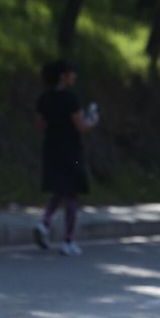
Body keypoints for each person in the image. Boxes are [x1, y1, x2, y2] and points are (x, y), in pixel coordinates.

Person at [33, 59, 98, 256]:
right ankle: (68, 240)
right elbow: (82, 126)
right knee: (72, 192)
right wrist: (93, 119)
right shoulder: (70, 98)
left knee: (59, 188)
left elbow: (40, 125)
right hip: (72, 151)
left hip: (51, 149)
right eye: (71, 73)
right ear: (63, 76)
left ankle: (45, 222)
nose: (74, 76)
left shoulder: (44, 98)